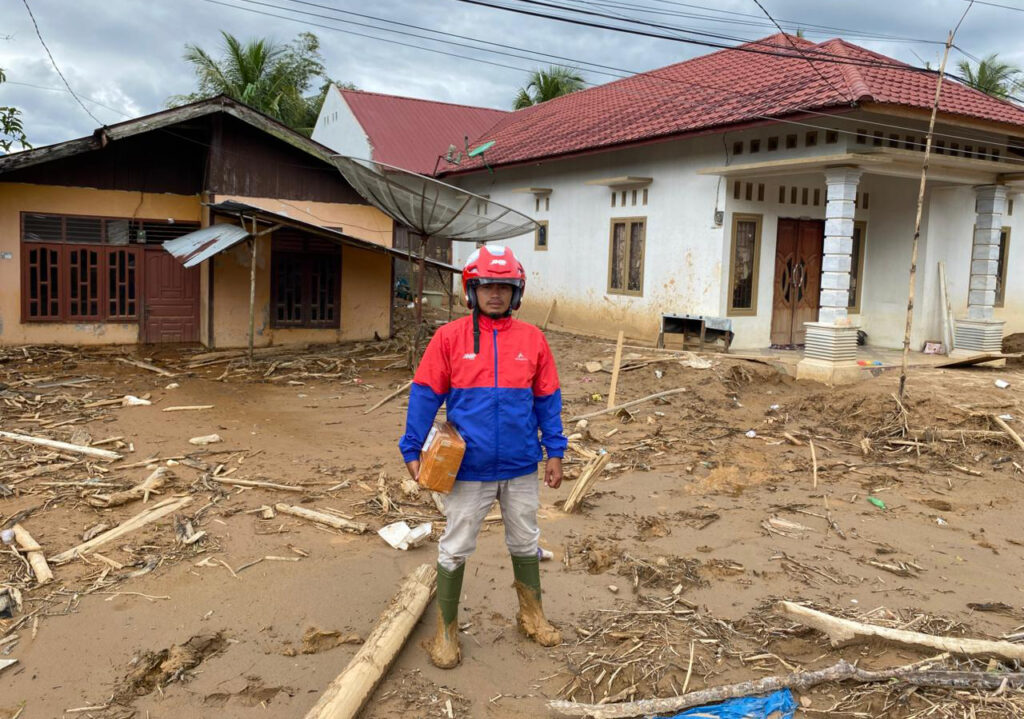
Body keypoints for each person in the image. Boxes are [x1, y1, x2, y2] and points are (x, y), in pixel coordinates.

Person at [399, 244, 567, 669]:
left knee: (525, 541)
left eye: (504, 287)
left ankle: (532, 616)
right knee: (456, 546)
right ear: (471, 290)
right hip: (467, 469)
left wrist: (555, 451)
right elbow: (425, 394)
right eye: (487, 286)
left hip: (520, 465)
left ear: (516, 292)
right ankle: (446, 632)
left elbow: (548, 399)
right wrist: (411, 446)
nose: (496, 293)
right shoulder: (449, 338)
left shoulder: (532, 340)